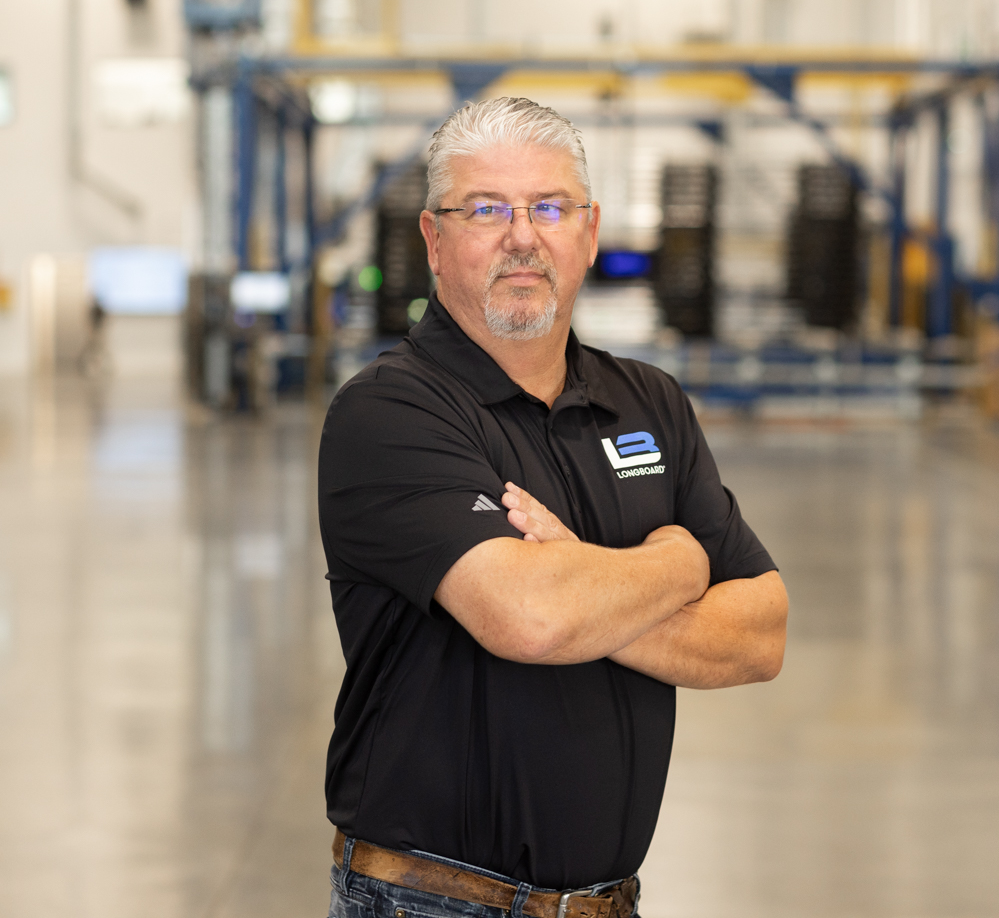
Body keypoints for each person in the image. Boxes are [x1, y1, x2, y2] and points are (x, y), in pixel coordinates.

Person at [317, 97, 788, 918]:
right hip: (428, 903)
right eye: (486, 210)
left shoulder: (649, 403)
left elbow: (762, 634)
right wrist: (679, 561)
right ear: (433, 239)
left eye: (549, 208)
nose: (522, 236)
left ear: (590, 231)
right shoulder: (388, 412)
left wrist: (586, 588)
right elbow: (530, 619)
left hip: (608, 903)